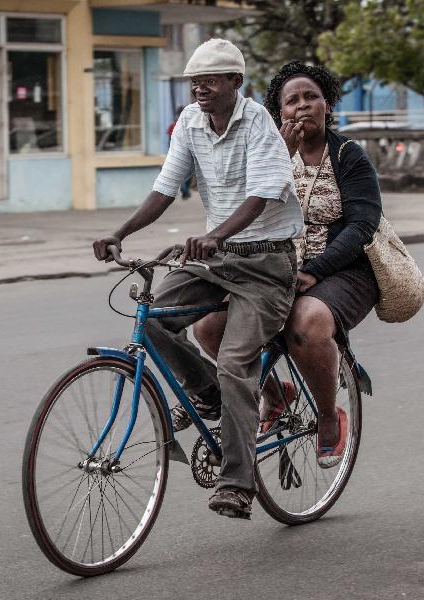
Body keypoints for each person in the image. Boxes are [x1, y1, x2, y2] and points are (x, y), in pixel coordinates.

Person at [93, 39, 303, 520]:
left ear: (236, 82)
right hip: (217, 257)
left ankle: (237, 482)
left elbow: (264, 194)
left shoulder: (259, 123)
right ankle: (208, 397)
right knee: (152, 318)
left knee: (235, 362)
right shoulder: (190, 122)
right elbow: (165, 189)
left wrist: (216, 234)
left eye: (210, 80)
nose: (199, 88)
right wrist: (118, 232)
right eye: (194, 81)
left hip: (266, 263)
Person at [179, 61, 382, 471]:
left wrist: (317, 270)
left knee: (304, 323)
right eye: (292, 101)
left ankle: (328, 417)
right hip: (271, 266)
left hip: (341, 269)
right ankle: (275, 395)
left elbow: (363, 225)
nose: (302, 107)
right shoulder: (268, 150)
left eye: (311, 98)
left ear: (328, 104)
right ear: (279, 112)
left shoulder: (348, 156)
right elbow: (242, 207)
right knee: (208, 326)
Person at [167, 106, 192, 199]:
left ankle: (184, 191)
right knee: (186, 174)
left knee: (182, 174)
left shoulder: (173, 125)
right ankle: (185, 191)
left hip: (178, 152)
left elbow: (169, 140)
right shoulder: (185, 124)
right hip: (184, 152)